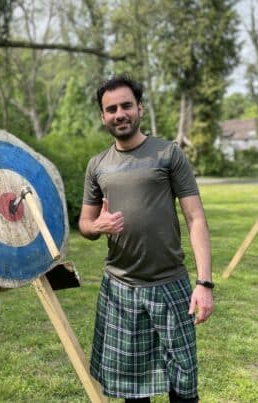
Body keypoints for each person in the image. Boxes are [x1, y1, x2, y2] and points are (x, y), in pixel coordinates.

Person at [79, 75, 214, 403]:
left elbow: (196, 218)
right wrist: (97, 226)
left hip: (169, 284)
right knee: (133, 392)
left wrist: (204, 283)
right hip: (120, 289)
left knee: (182, 387)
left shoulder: (168, 154)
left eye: (126, 105)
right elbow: (84, 223)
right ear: (103, 117)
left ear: (139, 108)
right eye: (111, 109)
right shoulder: (97, 166)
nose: (119, 114)